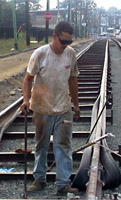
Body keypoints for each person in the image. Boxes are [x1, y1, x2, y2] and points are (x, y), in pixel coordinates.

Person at [20, 21, 80, 194]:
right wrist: (26, 100)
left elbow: (73, 79)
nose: (66, 45)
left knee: (63, 146)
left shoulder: (70, 54)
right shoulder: (40, 54)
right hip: (42, 108)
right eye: (63, 41)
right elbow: (28, 78)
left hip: (63, 108)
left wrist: (76, 104)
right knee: (41, 145)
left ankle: (63, 184)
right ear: (54, 36)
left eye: (69, 42)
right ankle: (39, 180)